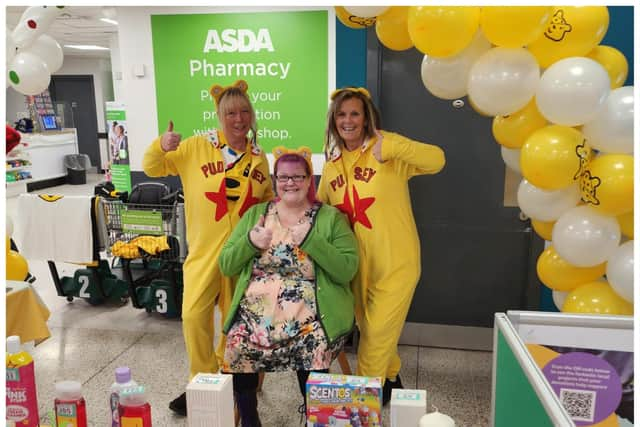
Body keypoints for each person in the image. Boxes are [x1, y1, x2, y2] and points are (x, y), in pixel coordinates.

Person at [142, 80, 274, 416]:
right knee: (193, 316)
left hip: (242, 256)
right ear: (219, 115)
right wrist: (161, 144)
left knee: (234, 324)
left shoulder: (259, 160)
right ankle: (200, 380)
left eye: (244, 111)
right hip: (202, 254)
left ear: (252, 115)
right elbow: (153, 167)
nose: (238, 118)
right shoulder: (195, 148)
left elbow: (268, 203)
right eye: (230, 112)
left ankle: (230, 379)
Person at [317, 87, 446, 405]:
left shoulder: (386, 151)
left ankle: (361, 407)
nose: (348, 120)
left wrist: (395, 145)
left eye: (355, 113)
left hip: (396, 264)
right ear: (334, 120)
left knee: (372, 342)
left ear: (366, 118)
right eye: (341, 114)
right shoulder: (333, 164)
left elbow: (437, 160)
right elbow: (319, 210)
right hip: (356, 270)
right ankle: (390, 381)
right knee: (373, 332)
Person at [219, 147, 358, 426]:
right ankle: (249, 418)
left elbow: (347, 270)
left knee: (314, 345)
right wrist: (249, 243)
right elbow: (226, 264)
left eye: (297, 176)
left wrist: (312, 241)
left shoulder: (329, 218)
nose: (290, 183)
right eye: (283, 177)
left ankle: (315, 416)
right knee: (237, 342)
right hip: (255, 311)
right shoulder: (257, 214)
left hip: (311, 311)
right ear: (274, 181)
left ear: (309, 180)